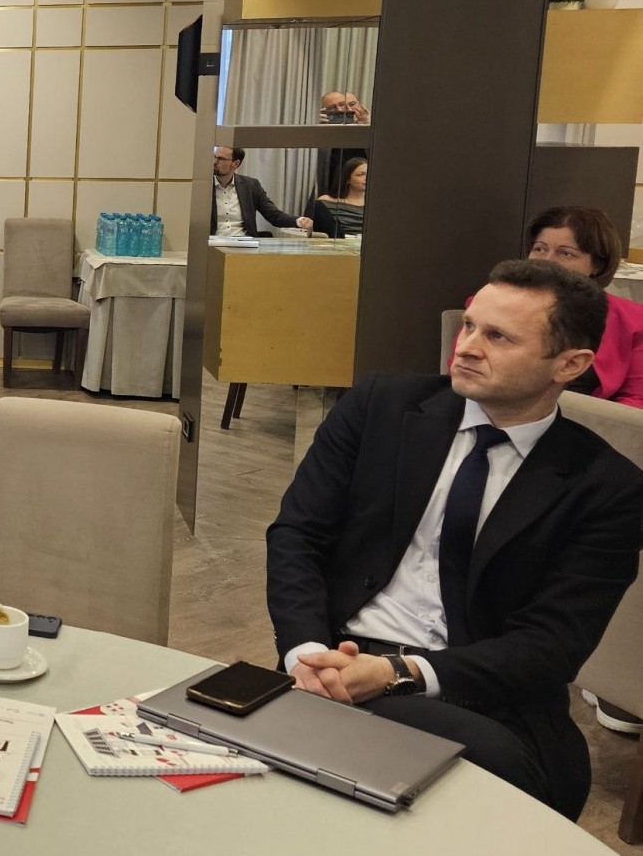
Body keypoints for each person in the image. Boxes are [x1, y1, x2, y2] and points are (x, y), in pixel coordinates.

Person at [267, 259, 643, 819]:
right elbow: (298, 534)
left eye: (498, 337)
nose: (465, 347)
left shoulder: (605, 487)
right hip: (336, 657)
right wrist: (305, 654)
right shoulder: (380, 407)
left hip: (481, 691)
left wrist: (396, 676)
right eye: (469, 326)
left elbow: (551, 645)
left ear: (570, 364)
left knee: (507, 772)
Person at [523, 205, 643, 411]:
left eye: (565, 253)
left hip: (591, 422)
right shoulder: (493, 304)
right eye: (540, 249)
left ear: (597, 265)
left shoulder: (633, 319)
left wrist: (591, 422)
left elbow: (637, 398)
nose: (547, 262)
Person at [209, 146, 311, 236]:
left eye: (221, 159)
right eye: (214, 157)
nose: (214, 162)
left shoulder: (251, 186)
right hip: (212, 244)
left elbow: (273, 215)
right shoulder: (204, 186)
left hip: (244, 244)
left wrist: (299, 221)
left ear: (235, 164)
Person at [311, 157, 367, 237]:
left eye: (369, 174)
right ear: (347, 179)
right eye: (361, 174)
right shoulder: (325, 202)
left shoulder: (376, 206)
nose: (366, 178)